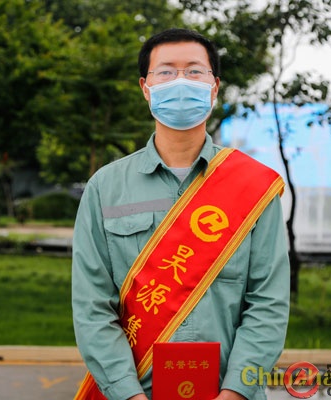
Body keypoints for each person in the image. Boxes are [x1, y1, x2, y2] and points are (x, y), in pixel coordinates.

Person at [72, 28, 290, 400]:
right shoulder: (105, 187)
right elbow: (92, 307)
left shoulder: (254, 186)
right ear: (145, 88)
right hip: (135, 391)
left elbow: (268, 303)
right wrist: (128, 394)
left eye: (194, 71)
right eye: (166, 72)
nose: (180, 81)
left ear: (214, 86)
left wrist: (236, 391)